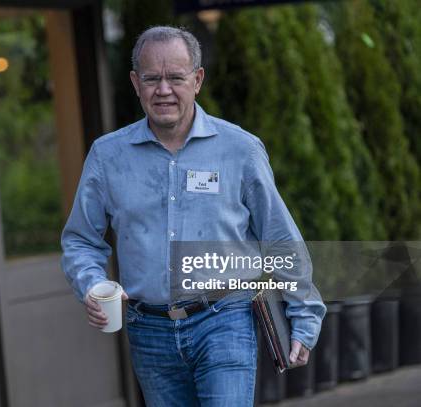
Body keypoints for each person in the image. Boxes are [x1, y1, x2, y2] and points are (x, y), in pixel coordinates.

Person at [61, 26, 325, 406]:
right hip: (148, 330)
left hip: (226, 321)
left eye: (175, 78)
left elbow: (279, 237)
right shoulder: (108, 157)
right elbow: (81, 240)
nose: (163, 90)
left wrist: (305, 316)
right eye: (151, 78)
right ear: (136, 83)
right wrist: (91, 285)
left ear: (197, 80)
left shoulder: (241, 150)